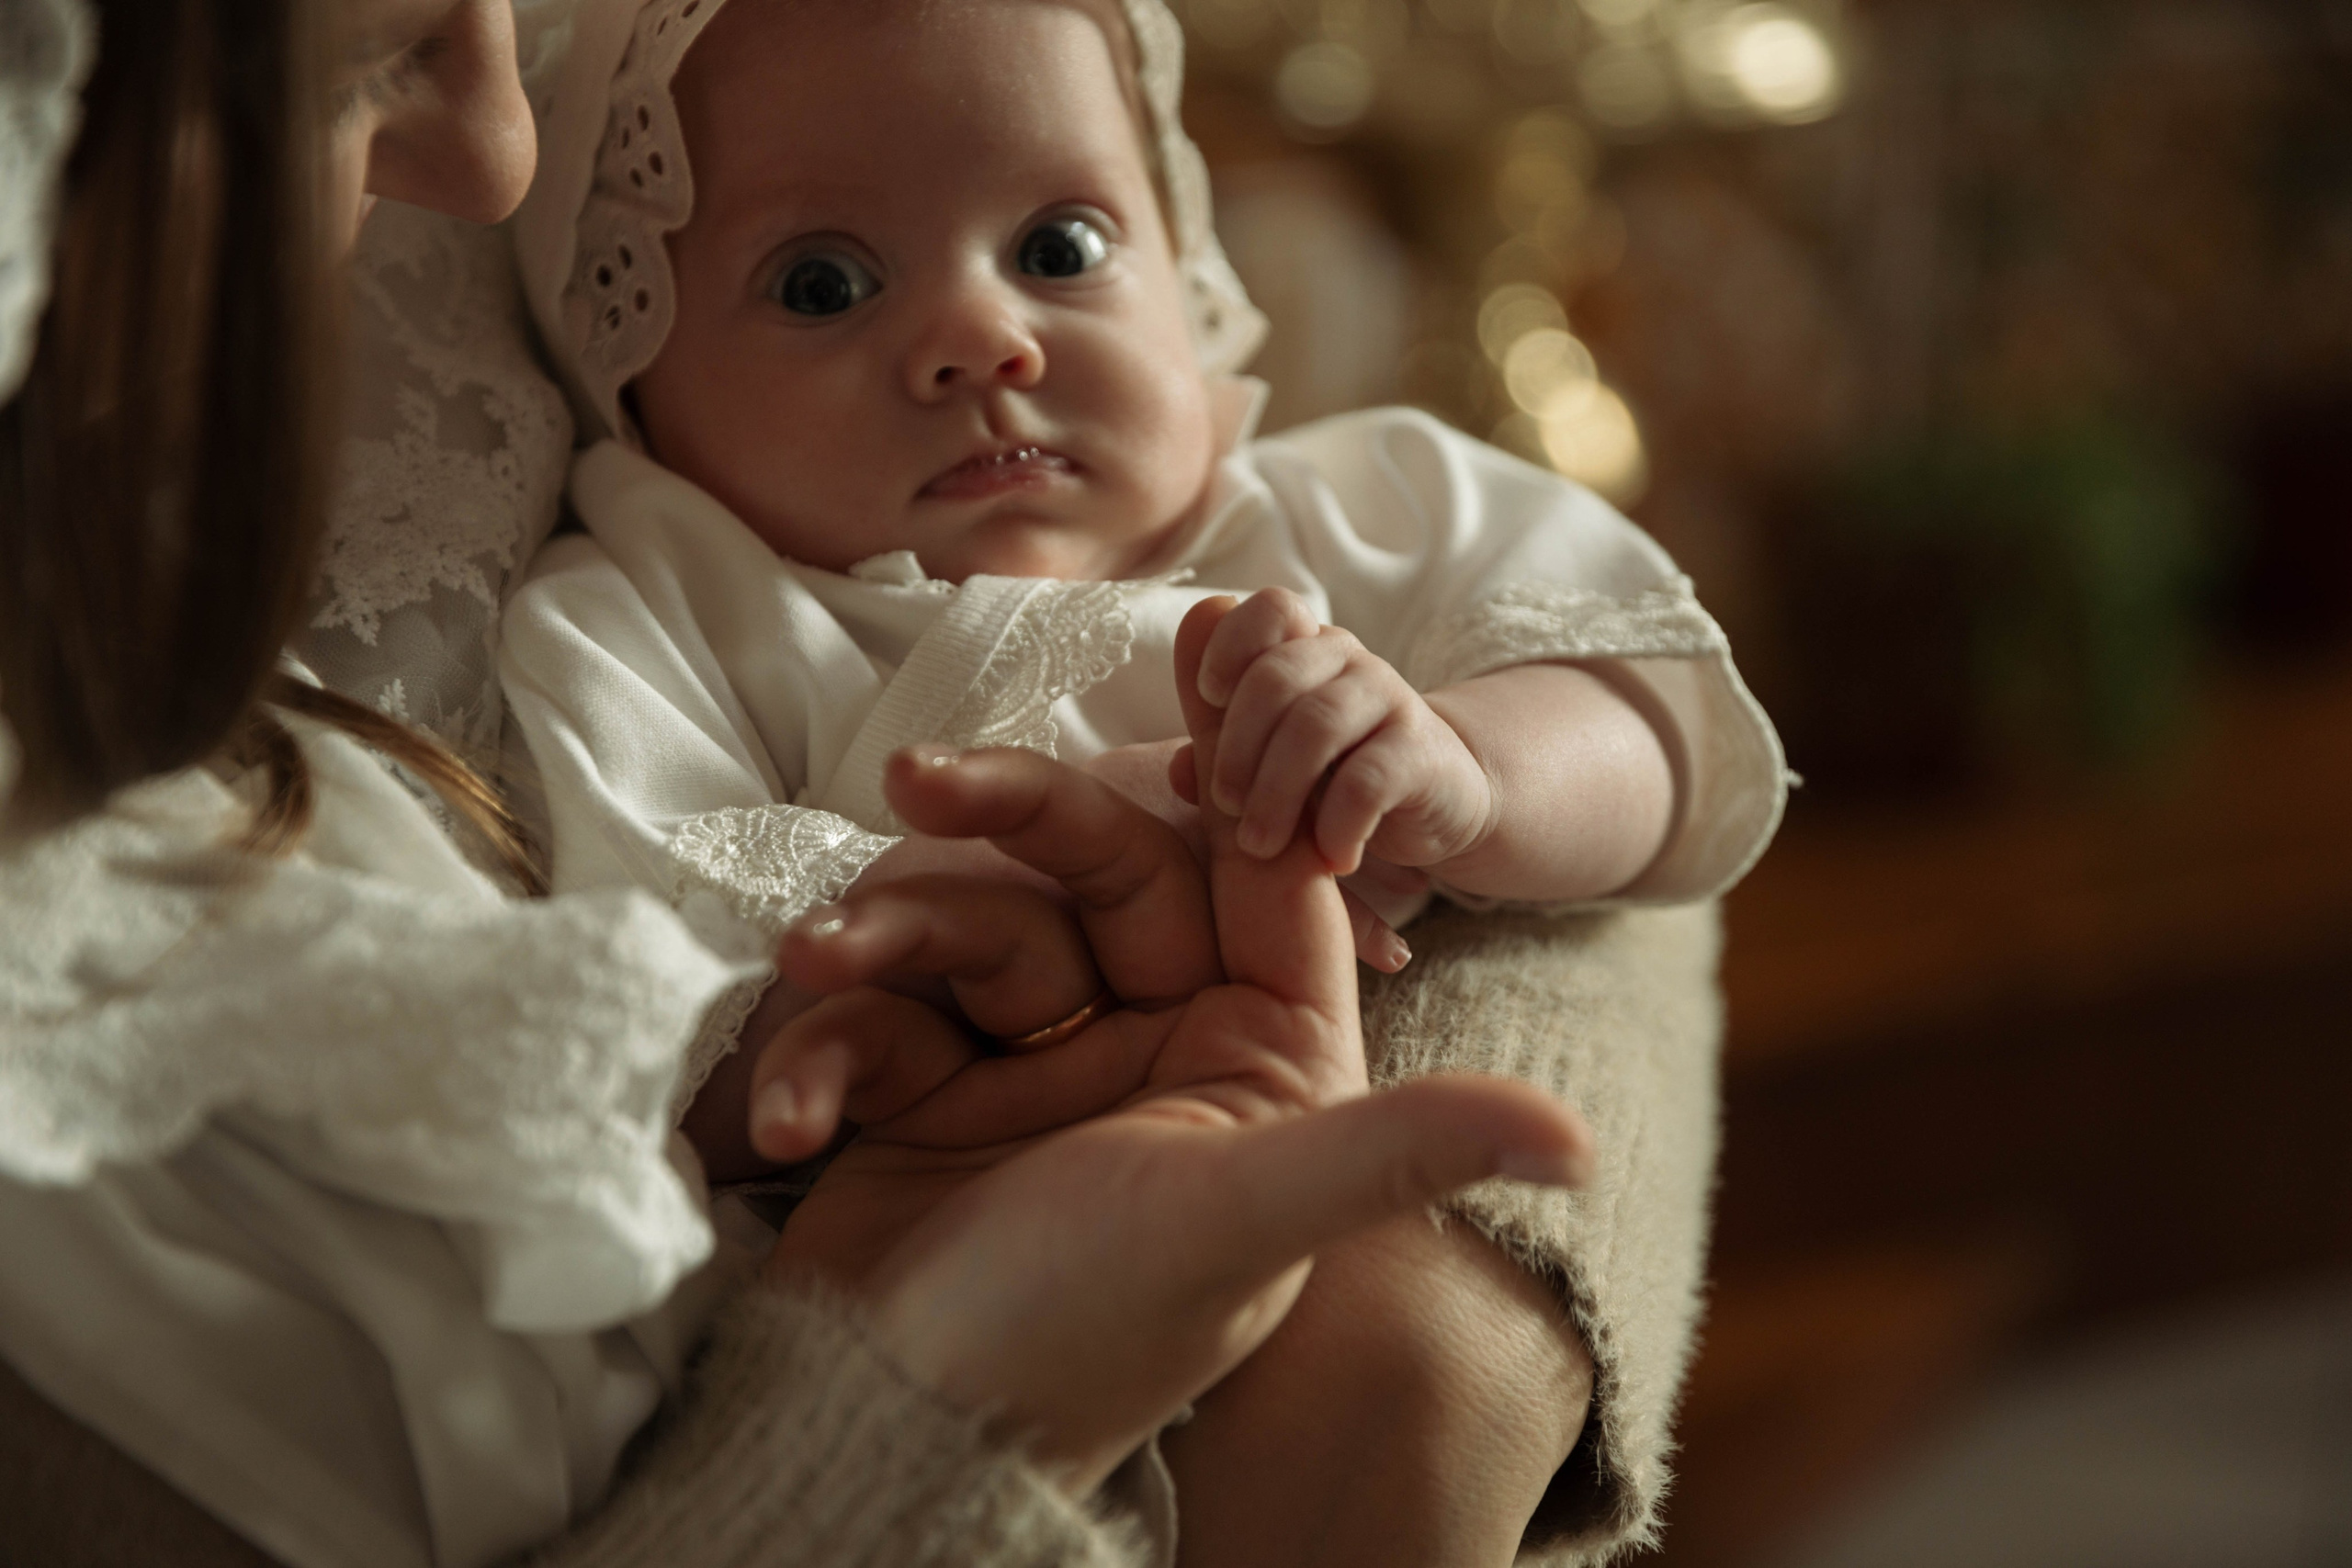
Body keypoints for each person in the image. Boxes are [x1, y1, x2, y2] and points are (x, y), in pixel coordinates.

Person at [0, 5, 1707, 1568]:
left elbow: (1658, 700)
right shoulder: (654, 613)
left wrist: (1467, 771)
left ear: (1187, 274)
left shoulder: (1340, 512)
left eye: (1060, 247)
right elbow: (646, 994)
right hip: (965, 1337)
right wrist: (878, 964)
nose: (982, 335)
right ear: (629, 394)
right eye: (822, 284)